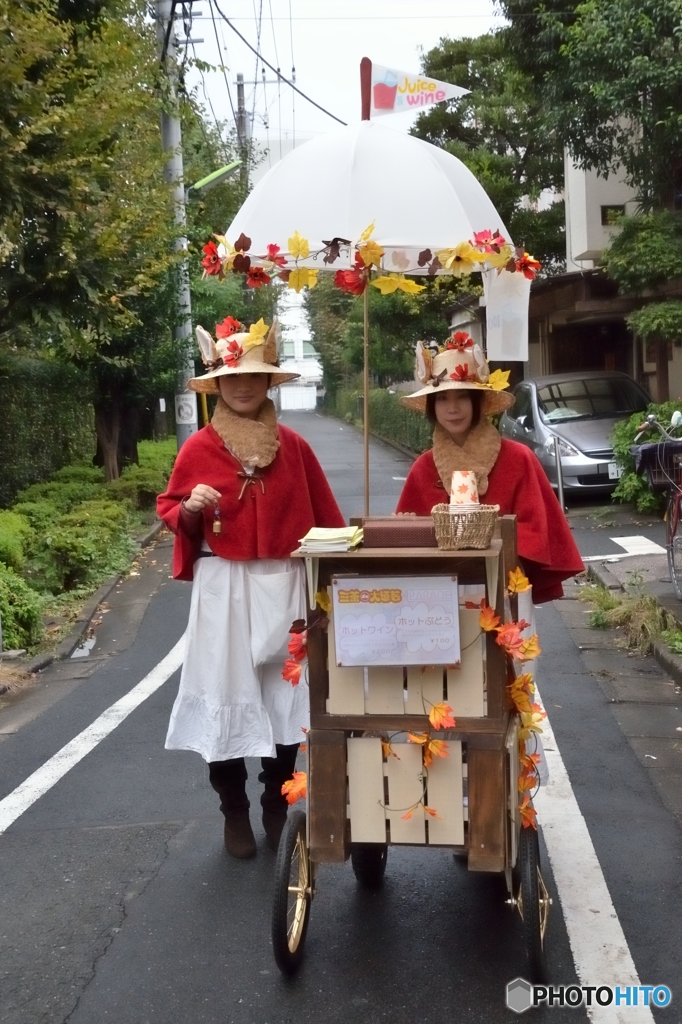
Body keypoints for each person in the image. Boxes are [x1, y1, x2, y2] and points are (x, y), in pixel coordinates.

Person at [157, 317, 345, 859]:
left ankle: (276, 801)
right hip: (224, 586)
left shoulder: (296, 447)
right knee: (225, 691)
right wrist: (189, 509)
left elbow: (328, 523)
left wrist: (328, 593)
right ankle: (232, 810)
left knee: (286, 696)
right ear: (217, 383)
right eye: (232, 376)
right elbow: (171, 508)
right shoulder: (198, 448)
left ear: (269, 384)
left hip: (286, 581)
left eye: (254, 376)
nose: (242, 385)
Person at [395, 335, 584, 601]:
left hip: (505, 588)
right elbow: (407, 547)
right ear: (431, 407)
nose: (452, 408)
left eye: (463, 396)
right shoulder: (423, 467)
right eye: (441, 399)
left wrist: (487, 540)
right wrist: (406, 530)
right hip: (439, 597)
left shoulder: (519, 458)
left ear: (478, 402)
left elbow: (536, 533)